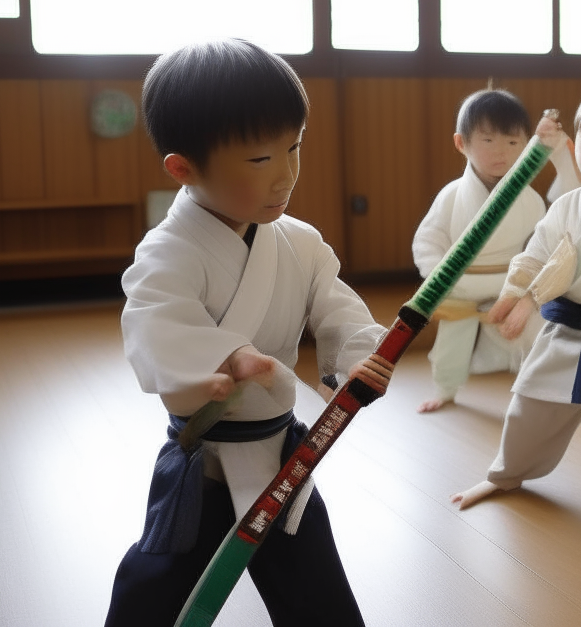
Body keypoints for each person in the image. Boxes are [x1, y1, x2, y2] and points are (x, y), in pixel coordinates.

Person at [106, 38, 393, 627]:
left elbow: (337, 307)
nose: (286, 174)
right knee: (158, 592)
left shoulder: (301, 242)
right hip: (203, 464)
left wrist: (361, 356)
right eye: (261, 160)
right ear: (183, 168)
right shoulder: (167, 253)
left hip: (282, 457)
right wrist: (226, 358)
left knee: (316, 591)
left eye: (294, 148)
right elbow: (155, 320)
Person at [452, 79, 581, 510]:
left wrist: (531, 301)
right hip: (567, 327)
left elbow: (579, 269)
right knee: (530, 401)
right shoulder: (569, 203)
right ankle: (506, 475)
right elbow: (537, 252)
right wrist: (513, 294)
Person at [412, 87, 580, 412]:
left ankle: (536, 385)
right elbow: (428, 239)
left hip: (510, 283)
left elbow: (550, 235)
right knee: (453, 339)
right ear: (462, 143)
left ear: (527, 145)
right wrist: (438, 276)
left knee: (533, 331)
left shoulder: (529, 199)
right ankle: (446, 388)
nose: (501, 151)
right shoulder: (451, 196)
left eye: (513, 142)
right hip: (460, 283)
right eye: (488, 140)